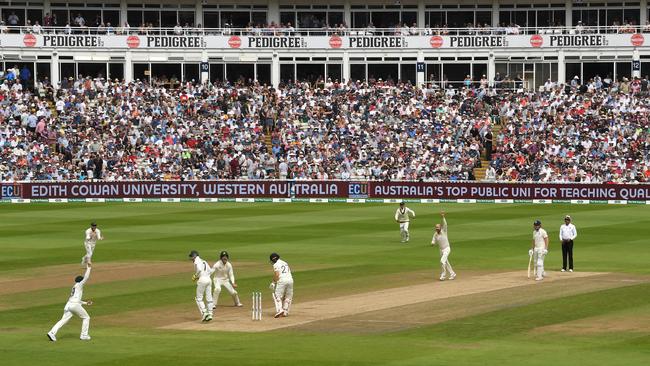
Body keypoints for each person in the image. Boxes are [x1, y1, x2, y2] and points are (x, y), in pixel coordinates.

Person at [47, 263, 93, 341]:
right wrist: (89, 268)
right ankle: (84, 335)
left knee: (63, 320)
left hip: (68, 305)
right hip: (74, 305)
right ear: (81, 281)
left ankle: (52, 333)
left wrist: (85, 303)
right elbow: (86, 277)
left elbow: (75, 299)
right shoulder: (79, 285)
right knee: (86, 317)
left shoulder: (75, 286)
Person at [189, 250, 214, 321]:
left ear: (194, 256)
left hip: (202, 280)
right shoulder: (204, 261)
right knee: (209, 297)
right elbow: (210, 271)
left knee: (198, 298)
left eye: (191, 257)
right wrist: (203, 276)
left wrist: (195, 275)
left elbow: (199, 269)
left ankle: (204, 313)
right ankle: (210, 314)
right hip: (209, 280)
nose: (191, 259)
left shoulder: (197, 261)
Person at [431, 211, 456, 281]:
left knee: (442, 261)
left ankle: (443, 275)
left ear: (440, 228)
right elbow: (433, 239)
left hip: (447, 248)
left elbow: (445, 224)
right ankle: (452, 273)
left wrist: (443, 217)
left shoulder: (444, 231)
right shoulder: (435, 234)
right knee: (446, 262)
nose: (437, 229)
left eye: (438, 227)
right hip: (441, 250)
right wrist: (432, 243)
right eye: (436, 228)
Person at [269, 252, 293, 318]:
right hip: (290, 280)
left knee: (277, 296)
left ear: (273, 259)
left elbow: (277, 274)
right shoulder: (285, 262)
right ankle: (285, 312)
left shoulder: (276, 264)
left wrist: (273, 282)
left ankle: (280, 310)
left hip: (282, 280)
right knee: (288, 297)